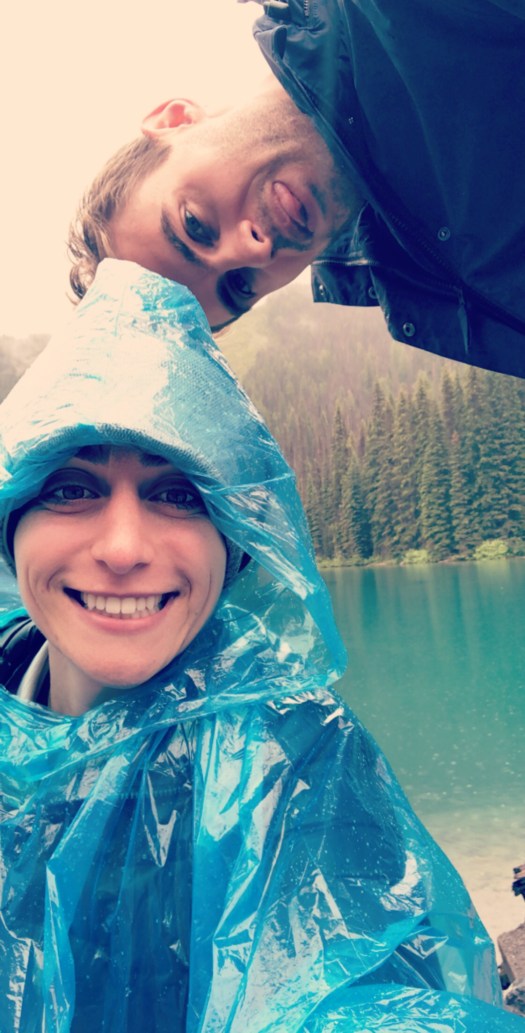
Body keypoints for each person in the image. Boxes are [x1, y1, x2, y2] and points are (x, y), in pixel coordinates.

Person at [0, 258, 522, 1032]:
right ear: (10, 525)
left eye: (176, 493)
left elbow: (367, 989)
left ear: (235, 544)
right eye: (72, 488)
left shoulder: (296, 756)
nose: (122, 547)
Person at [68, 1, 525, 375]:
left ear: (174, 121)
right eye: (240, 286)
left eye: (195, 225)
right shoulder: (438, 290)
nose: (254, 250)